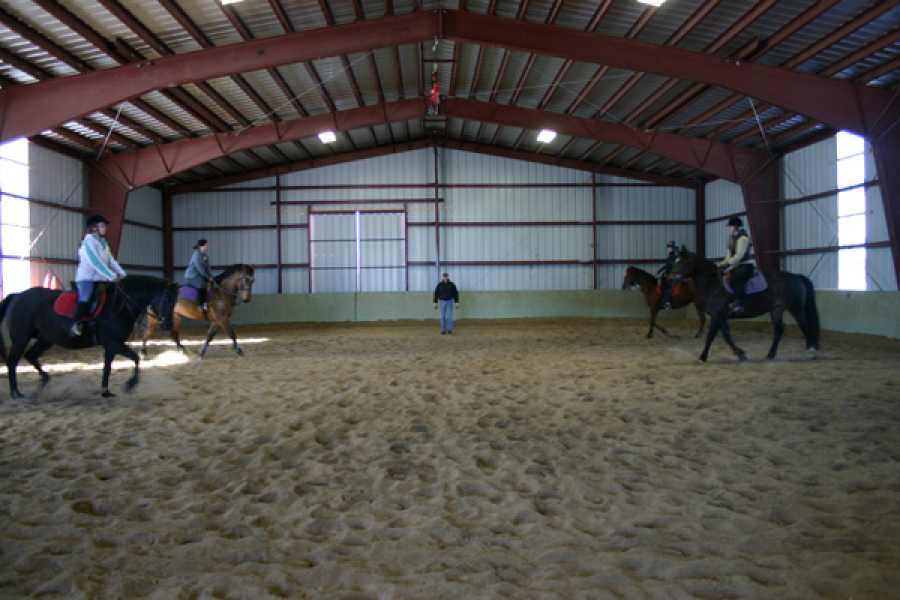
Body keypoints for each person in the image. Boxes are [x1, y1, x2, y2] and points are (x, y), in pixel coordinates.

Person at [71, 215, 126, 336]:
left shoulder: (103, 243)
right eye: (102, 225)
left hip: (101, 278)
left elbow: (111, 261)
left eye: (105, 226)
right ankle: (76, 323)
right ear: (94, 228)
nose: (105, 228)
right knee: (86, 298)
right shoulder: (88, 241)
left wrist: (122, 273)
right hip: (86, 279)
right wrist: (112, 276)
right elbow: (95, 262)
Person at [717, 216, 755, 315]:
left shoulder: (743, 238)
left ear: (736, 227)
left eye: (730, 226)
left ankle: (740, 304)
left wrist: (728, 265)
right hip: (736, 265)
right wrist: (719, 264)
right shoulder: (731, 238)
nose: (728, 229)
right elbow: (728, 256)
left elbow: (739, 255)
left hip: (746, 265)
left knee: (734, 279)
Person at [184, 239, 214, 311]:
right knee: (202, 285)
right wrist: (208, 277)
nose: (207, 247)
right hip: (192, 276)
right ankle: (200, 305)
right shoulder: (196, 255)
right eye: (206, 245)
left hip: (200, 275)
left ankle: (207, 302)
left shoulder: (205, 255)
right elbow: (200, 269)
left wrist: (211, 277)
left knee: (211, 284)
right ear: (201, 246)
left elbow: (207, 268)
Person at [656, 240, 678, 309]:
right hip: (669, 273)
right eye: (668, 247)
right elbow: (666, 266)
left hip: (674, 274)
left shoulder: (675, 256)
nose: (668, 248)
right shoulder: (670, 256)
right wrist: (659, 271)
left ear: (672, 248)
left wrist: (666, 273)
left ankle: (667, 303)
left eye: (669, 247)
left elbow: (672, 266)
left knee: (668, 286)